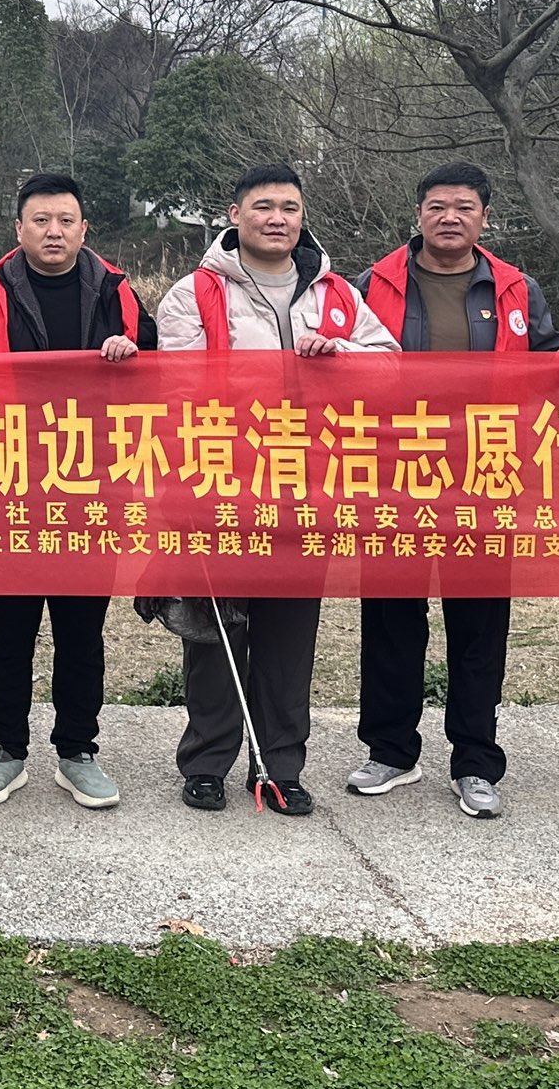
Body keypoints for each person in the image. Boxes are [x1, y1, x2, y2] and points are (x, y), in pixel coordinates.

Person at [152, 163, 396, 817]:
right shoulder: (192, 294)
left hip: (308, 492)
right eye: (263, 206)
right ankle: (206, 764)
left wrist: (340, 357)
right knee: (215, 635)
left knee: (290, 640)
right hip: (223, 487)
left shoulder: (337, 293)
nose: (278, 218)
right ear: (235, 213)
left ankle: (278, 766)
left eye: (289, 207)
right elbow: (176, 391)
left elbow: (390, 368)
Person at [346, 162, 559, 821]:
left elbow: (547, 360)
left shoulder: (514, 288)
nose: (451, 216)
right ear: (418, 214)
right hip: (394, 475)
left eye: (465, 207)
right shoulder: (371, 284)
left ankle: (475, 761)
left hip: (484, 476)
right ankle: (390, 751)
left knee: (478, 625)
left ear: (485, 218)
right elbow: (344, 362)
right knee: (390, 620)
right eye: (438, 205)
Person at [0, 172, 155, 810]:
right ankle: (5, 749)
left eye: (65, 220)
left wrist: (130, 354)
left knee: (81, 629)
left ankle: (77, 750)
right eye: (40, 220)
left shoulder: (119, 294)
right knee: (9, 629)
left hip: (91, 486)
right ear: (19, 229)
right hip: (9, 485)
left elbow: (160, 377)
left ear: (84, 228)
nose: (53, 231)